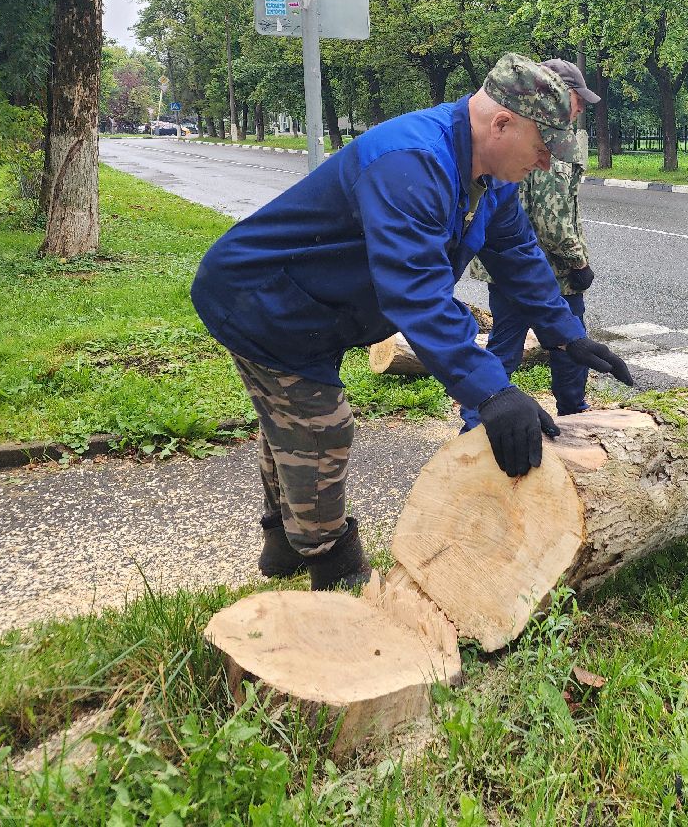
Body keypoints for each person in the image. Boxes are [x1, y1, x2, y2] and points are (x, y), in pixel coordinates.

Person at [190, 53, 635, 591]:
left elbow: (518, 254)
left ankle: (282, 543)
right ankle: (334, 564)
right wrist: (493, 392)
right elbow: (417, 295)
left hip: (315, 307)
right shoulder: (410, 161)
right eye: (542, 149)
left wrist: (568, 336)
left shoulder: (490, 177)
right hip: (261, 300)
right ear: (502, 123)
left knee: (291, 419)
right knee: (319, 425)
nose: (545, 165)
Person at [462, 58, 600, 428]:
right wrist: (578, 262)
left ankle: (476, 419)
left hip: (512, 264)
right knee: (566, 345)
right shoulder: (552, 141)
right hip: (551, 268)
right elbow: (551, 217)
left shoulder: (522, 137)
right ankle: (573, 412)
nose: (580, 109)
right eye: (577, 100)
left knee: (507, 342)